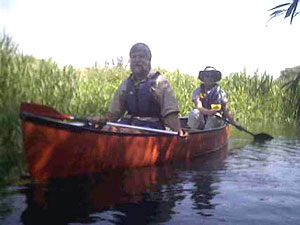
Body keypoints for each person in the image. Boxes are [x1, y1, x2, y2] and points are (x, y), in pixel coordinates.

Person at [91, 43, 186, 136]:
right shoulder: (126, 84)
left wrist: (178, 131)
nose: (137, 60)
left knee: (127, 132)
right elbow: (114, 114)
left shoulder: (160, 82)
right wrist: (101, 119)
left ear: (148, 59)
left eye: (141, 57)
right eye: (134, 57)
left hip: (151, 127)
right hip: (128, 124)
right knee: (106, 129)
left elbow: (170, 114)